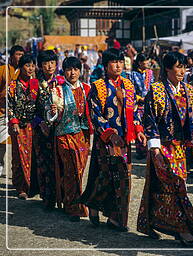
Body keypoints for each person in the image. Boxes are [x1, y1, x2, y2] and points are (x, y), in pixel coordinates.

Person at [137, 52, 193, 247]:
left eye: (184, 66)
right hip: (163, 147)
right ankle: (183, 229)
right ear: (167, 69)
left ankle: (156, 223)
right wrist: (155, 151)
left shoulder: (188, 90)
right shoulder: (156, 90)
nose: (182, 71)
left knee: (172, 186)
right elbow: (150, 121)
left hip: (180, 148)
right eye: (178, 67)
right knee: (175, 186)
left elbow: (191, 120)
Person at [79, 48, 146, 231]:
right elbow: (95, 115)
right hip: (107, 141)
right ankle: (93, 204)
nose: (118, 66)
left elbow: (134, 113)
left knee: (124, 179)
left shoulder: (128, 85)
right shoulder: (98, 86)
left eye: (120, 62)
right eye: (114, 62)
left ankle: (117, 219)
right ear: (106, 65)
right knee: (108, 176)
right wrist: (110, 134)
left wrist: (138, 129)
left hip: (125, 140)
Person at [47, 56, 92, 222]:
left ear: (80, 71)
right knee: (71, 169)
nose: (72, 73)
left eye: (75, 69)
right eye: (68, 69)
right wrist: (52, 112)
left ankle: (73, 201)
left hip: (83, 136)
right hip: (64, 135)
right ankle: (73, 206)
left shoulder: (87, 89)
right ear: (64, 71)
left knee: (79, 171)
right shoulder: (57, 90)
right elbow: (50, 115)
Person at [35, 50, 63, 209]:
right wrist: (41, 123)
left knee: (59, 163)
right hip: (41, 129)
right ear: (40, 66)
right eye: (46, 63)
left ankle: (62, 197)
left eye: (52, 62)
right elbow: (30, 108)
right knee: (44, 164)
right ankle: (47, 198)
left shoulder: (61, 81)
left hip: (59, 128)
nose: (49, 66)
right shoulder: (35, 83)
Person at [8, 54, 39, 199]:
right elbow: (10, 105)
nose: (30, 69)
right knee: (19, 156)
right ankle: (21, 187)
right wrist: (13, 122)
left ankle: (31, 186)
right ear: (21, 67)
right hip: (18, 127)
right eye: (27, 65)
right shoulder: (13, 86)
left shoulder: (37, 84)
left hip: (33, 126)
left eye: (32, 66)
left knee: (33, 156)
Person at [0, 45, 24, 176]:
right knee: (1, 144)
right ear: (11, 55)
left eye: (22, 54)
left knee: (19, 146)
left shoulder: (26, 71)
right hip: (3, 113)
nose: (19, 57)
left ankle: (19, 174)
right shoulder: (2, 70)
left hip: (20, 115)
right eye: (17, 54)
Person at [130, 53, 154, 159]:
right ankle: (140, 150)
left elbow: (152, 87)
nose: (148, 63)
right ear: (140, 63)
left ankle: (148, 148)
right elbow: (131, 90)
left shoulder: (150, 73)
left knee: (148, 125)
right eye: (146, 61)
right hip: (138, 105)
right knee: (138, 126)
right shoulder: (132, 75)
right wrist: (139, 98)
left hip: (148, 104)